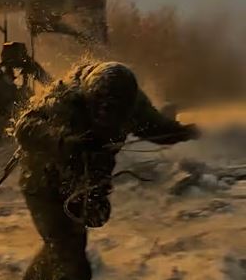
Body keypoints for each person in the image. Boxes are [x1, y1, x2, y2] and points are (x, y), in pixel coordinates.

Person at [12, 62, 200, 280]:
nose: (109, 122)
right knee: (68, 254)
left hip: (87, 174)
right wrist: (64, 141)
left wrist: (184, 132)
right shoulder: (65, 99)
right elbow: (25, 127)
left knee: (67, 245)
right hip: (42, 177)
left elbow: (157, 129)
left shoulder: (133, 104)